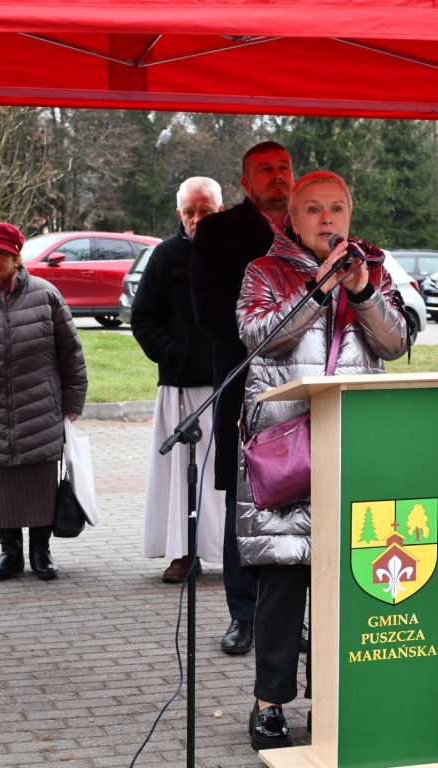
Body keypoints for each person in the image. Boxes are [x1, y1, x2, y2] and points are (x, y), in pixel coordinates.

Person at [237, 171, 408, 749]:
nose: (327, 219)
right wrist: (318, 288)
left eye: (337, 208)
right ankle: (269, 705)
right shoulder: (263, 272)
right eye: (313, 209)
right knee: (283, 588)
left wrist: (360, 291)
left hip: (356, 448)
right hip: (289, 454)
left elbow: (397, 341)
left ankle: (339, 698)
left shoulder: (377, 268)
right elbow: (261, 337)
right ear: (293, 215)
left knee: (349, 583)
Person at [190, 142, 293, 655]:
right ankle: (244, 616)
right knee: (245, 505)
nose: (278, 178)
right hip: (246, 387)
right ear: (245, 183)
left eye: (284, 169)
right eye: (265, 171)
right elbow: (210, 313)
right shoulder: (218, 232)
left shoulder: (311, 228)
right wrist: (271, 350)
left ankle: (292, 619)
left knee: (301, 507)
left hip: (307, 396)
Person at [0, 222, 88, 581]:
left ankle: (41, 552)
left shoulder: (45, 295)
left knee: (40, 481)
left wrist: (72, 400)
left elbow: (70, 353)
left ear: (16, 257)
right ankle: (9, 553)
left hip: (38, 407)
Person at [133, 177, 225, 582]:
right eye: (190, 212)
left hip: (229, 382)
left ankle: (233, 552)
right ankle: (183, 552)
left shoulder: (233, 255)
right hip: (180, 387)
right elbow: (142, 319)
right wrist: (175, 353)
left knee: (226, 476)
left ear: (219, 211)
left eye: (205, 211)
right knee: (179, 478)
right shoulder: (165, 256)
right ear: (179, 214)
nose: (197, 219)